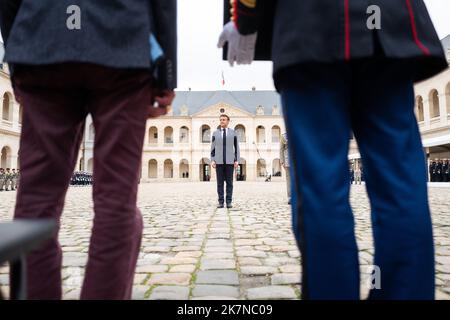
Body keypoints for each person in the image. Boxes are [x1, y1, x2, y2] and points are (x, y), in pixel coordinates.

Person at [219, 0, 447, 299]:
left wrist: (245, 19)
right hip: (386, 28)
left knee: (321, 188)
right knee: (401, 185)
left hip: (310, 29)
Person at [0, 0, 177, 299]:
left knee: (36, 203)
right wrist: (166, 72)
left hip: (45, 41)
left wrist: (18, 54)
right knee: (116, 202)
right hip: (121, 44)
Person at [210, 114, 240, 208]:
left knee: (229, 183)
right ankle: (220, 202)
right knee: (219, 183)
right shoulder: (215, 133)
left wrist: (237, 160)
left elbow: (237, 147)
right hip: (218, 161)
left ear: (228, 121)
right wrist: (212, 160)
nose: (222, 121)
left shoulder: (233, 132)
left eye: (224, 120)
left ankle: (229, 201)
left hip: (230, 161)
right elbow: (212, 148)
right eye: (220, 120)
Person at [280, 132, 291, 204]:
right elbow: (281, 149)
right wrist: (282, 161)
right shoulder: (284, 136)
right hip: (288, 161)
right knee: (289, 179)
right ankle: (290, 197)